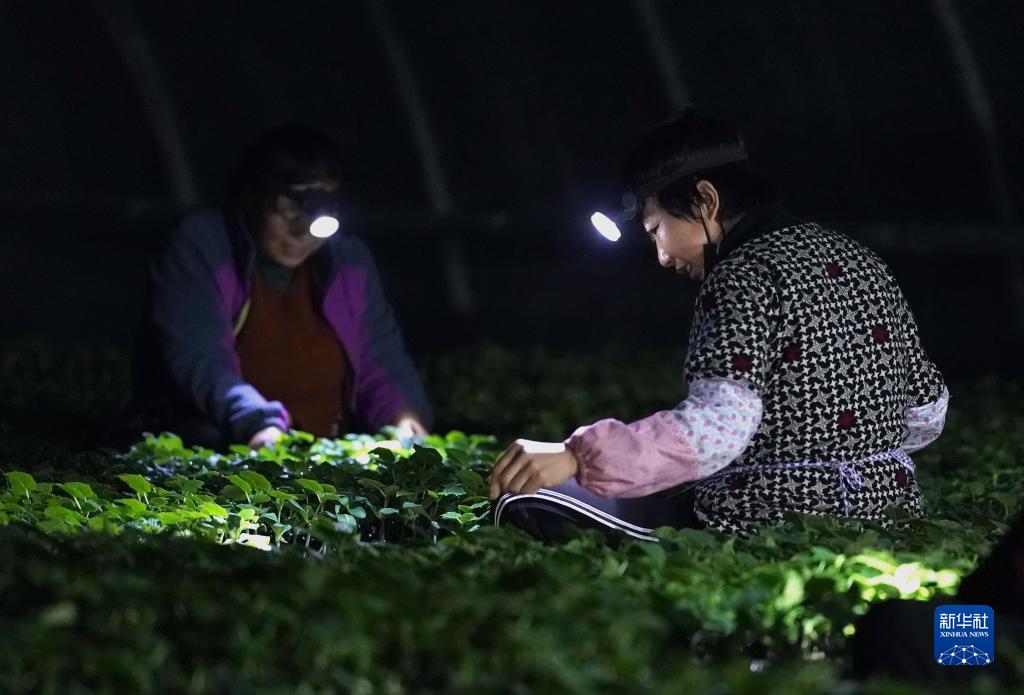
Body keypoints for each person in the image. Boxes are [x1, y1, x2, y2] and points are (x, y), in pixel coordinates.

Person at [490, 109, 948, 541]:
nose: (661, 256)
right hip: (892, 511)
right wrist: (850, 454)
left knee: (525, 498)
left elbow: (719, 428)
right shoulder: (861, 260)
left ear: (705, 200)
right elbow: (927, 411)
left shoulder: (741, 275)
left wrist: (575, 457)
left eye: (656, 229)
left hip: (768, 520)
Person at [120, 124, 431, 450]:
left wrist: (403, 417)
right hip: (222, 443)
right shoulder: (205, 246)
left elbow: (380, 358)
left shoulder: (347, 262)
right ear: (253, 198)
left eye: (319, 211)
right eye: (288, 209)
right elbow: (200, 356)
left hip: (324, 449)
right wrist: (258, 426)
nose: (302, 233)